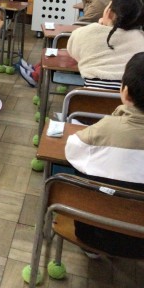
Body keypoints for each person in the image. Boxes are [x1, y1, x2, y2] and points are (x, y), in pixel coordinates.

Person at [64, 52, 144, 258]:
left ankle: (92, 250)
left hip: (94, 234)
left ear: (125, 92)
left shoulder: (106, 128)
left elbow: (71, 150)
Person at [67, 0, 144, 90]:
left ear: (109, 12)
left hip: (89, 96)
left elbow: (74, 53)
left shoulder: (84, 33)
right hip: (128, 96)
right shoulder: (141, 38)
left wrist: (99, 27)